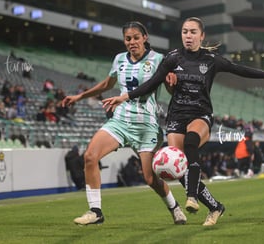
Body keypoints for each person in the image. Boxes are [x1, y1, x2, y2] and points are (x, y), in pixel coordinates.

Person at [102, 17, 264, 226]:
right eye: (185, 32)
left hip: (200, 114)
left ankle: (191, 197)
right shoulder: (172, 58)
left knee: (191, 142)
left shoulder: (211, 59)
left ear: (202, 36)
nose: (188, 36)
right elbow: (151, 83)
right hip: (176, 115)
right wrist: (124, 96)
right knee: (179, 168)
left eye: (193, 32)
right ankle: (215, 207)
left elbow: (238, 69)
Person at [62, 21, 187, 226]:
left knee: (150, 179)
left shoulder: (158, 59)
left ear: (144, 38)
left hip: (146, 126)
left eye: (136, 37)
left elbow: (170, 89)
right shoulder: (119, 59)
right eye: (128, 39)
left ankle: (174, 207)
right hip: (120, 121)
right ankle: (95, 211)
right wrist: (80, 96)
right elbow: (106, 84)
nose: (132, 42)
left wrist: (173, 84)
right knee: (90, 156)